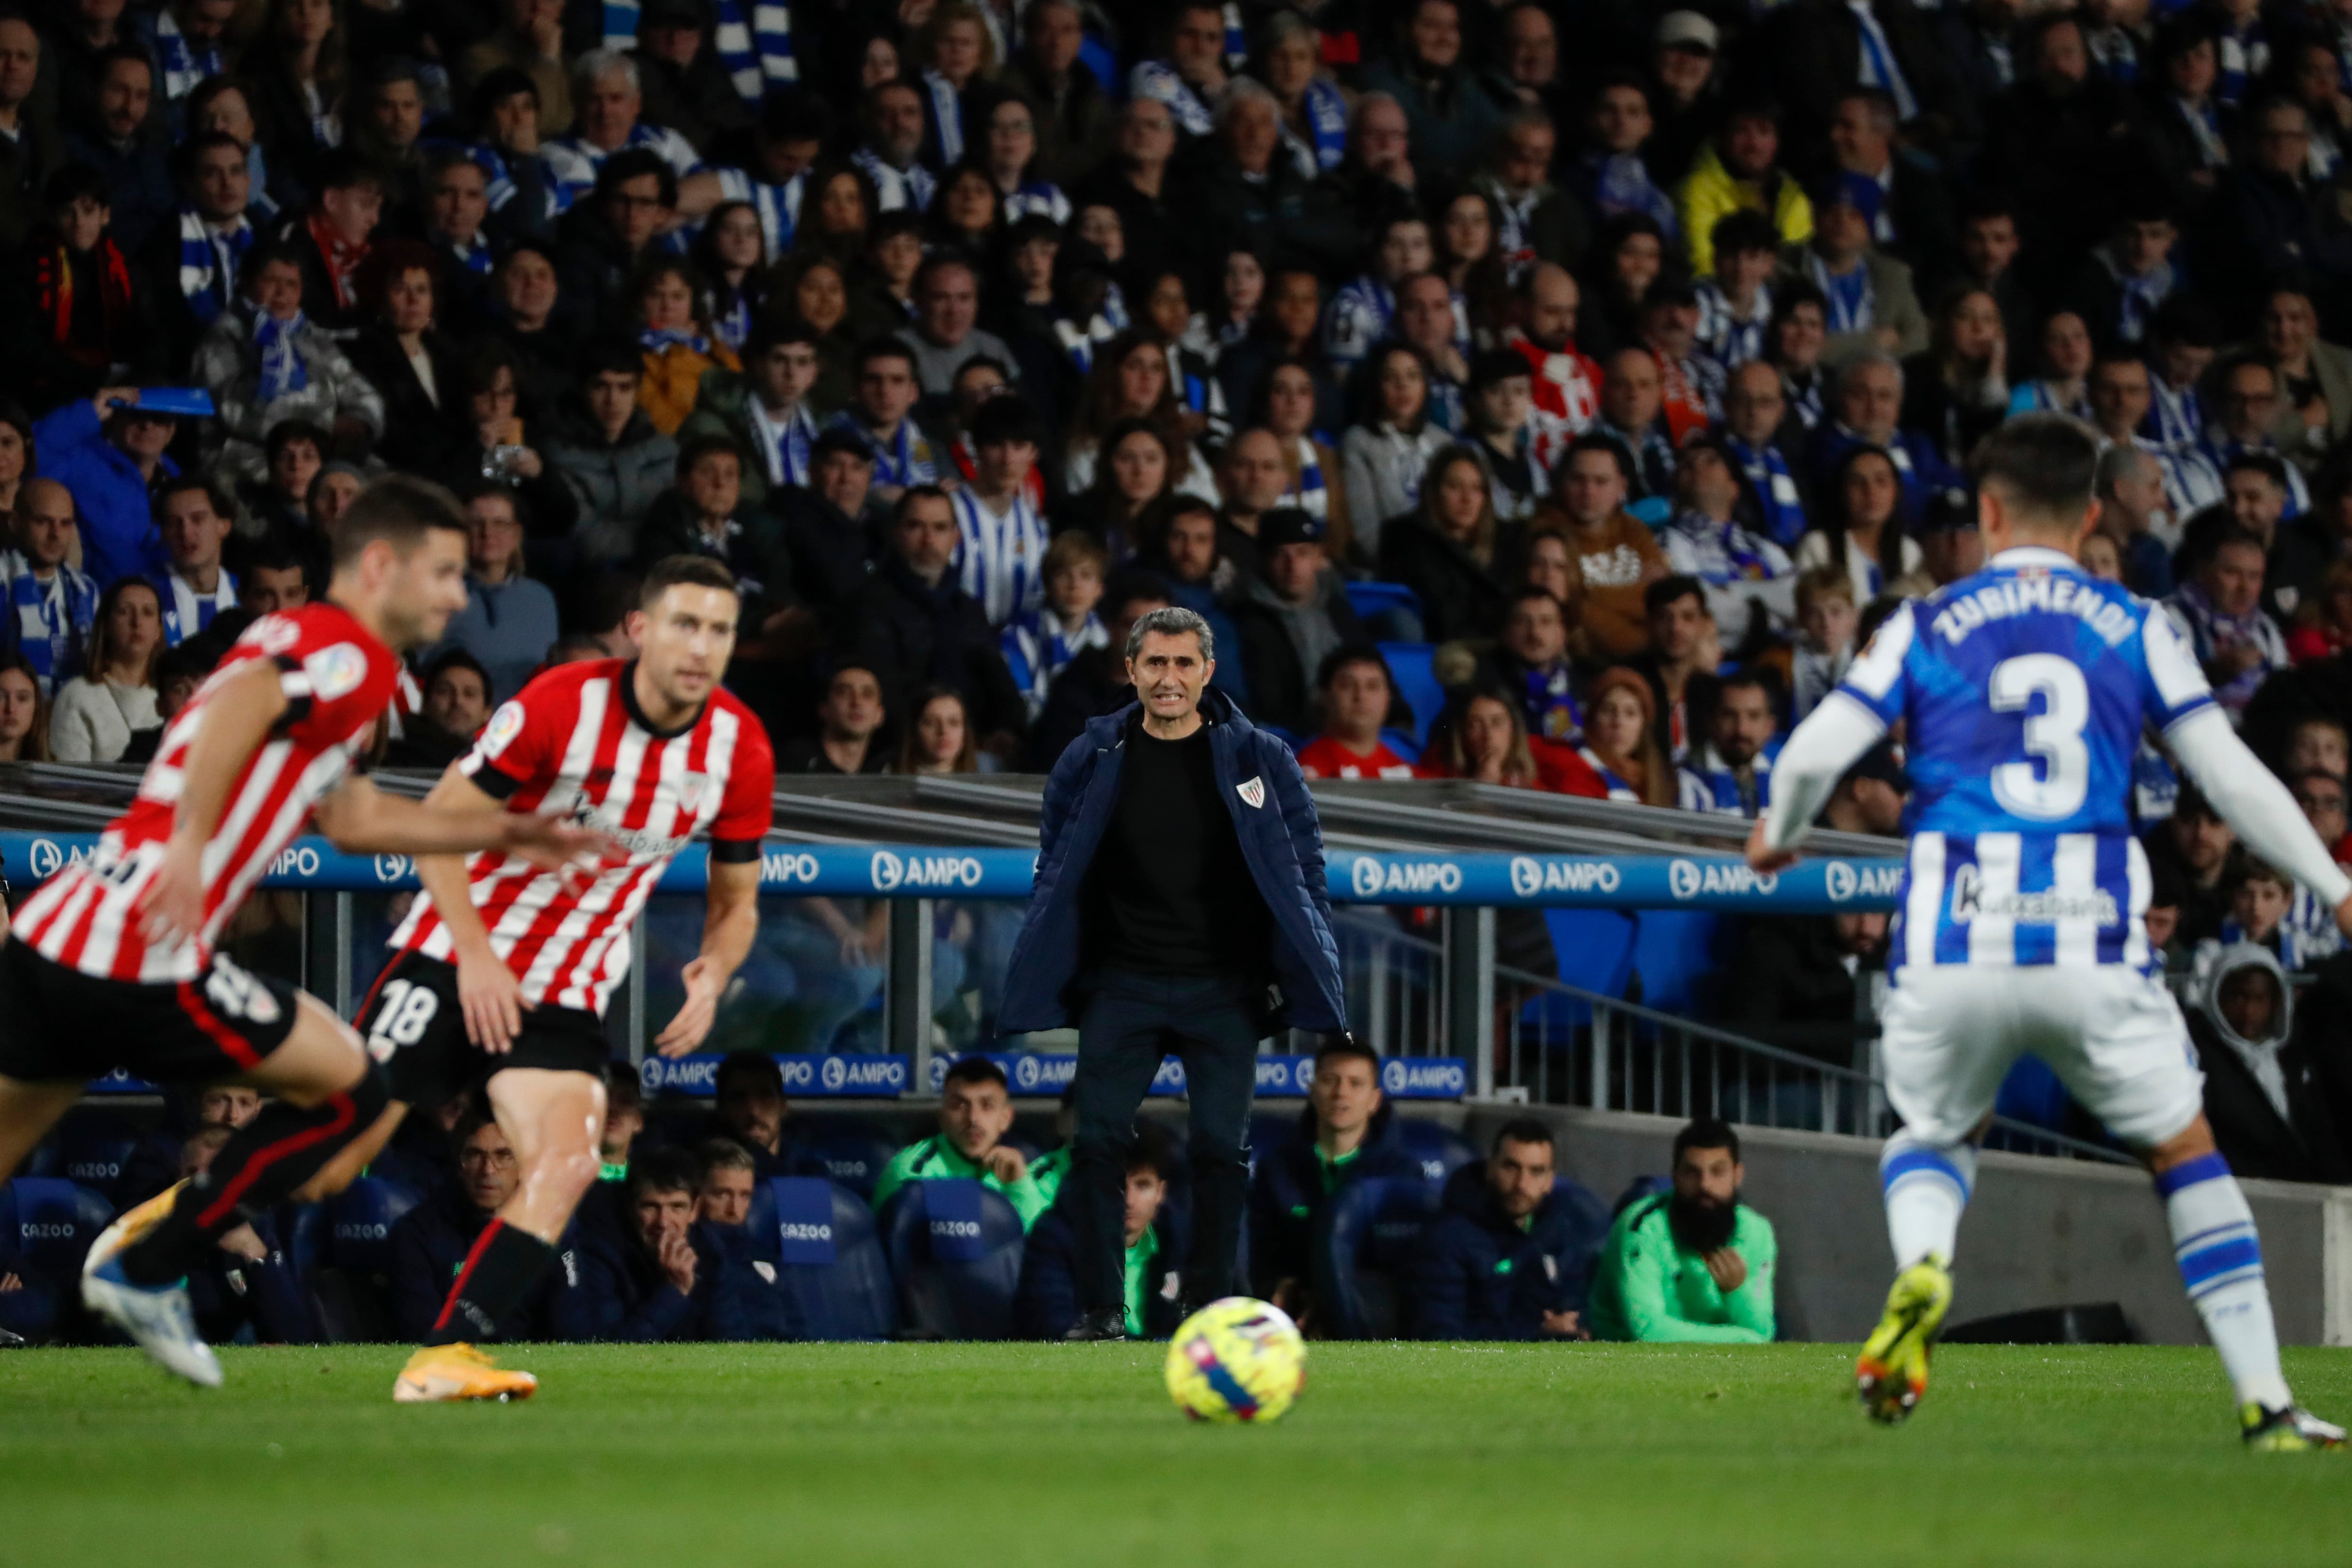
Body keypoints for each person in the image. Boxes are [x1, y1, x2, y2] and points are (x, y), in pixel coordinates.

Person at [1746, 414, 2348, 1447]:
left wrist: (1779, 832)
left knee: (1935, 1136)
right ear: (2088, 515)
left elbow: (1810, 753)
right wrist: (2329, 885)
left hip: (1950, 935)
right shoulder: (2134, 625)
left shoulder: (1925, 624)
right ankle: (2264, 1400)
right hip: (2090, 938)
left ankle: (1924, 1267)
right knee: (2186, 1154)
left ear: (1983, 511)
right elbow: (2230, 777)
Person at [2, 477, 604, 1389]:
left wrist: (504, 830)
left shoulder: (313, 651)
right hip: (142, 954)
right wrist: (193, 846)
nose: (455, 593)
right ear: (377, 565)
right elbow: (245, 700)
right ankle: (147, 1263)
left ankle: (149, 1259)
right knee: (352, 1095)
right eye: (441, 571)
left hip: (59, 933)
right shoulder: (345, 651)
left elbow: (353, 819)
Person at [356, 555, 776, 1401]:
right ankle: (168, 1235)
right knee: (338, 1144)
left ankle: (448, 1355)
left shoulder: (740, 750)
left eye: (720, 630)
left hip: (566, 983)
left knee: (567, 1159)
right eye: (684, 624)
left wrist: (713, 974)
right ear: (640, 630)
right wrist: (474, 955)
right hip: (458, 943)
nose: (701, 646)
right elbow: (437, 824)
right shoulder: (561, 707)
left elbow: (736, 902)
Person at [1000, 606, 1346, 1339]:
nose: (1168, 678)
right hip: (1121, 984)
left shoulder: (1262, 757)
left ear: (1207, 672)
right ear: (1130, 670)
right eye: (1154, 663)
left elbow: (1304, 867)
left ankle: (1210, 1310)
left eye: (1183, 663)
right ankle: (1099, 1311)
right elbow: (1055, 863)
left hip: (1223, 990)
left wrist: (1299, 959)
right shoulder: (1091, 755)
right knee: (1094, 1144)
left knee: (1222, 1150)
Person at [836, 486, 1026, 758]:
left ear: (955, 537)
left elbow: (997, 677)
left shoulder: (968, 609)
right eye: (916, 527)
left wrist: (1008, 728)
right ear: (896, 532)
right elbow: (880, 692)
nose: (929, 540)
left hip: (968, 750)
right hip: (899, 754)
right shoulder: (868, 604)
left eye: (940, 528)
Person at [1247, 1037, 1423, 1325]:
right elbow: (1259, 1251)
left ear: (1375, 1100)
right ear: (1313, 1090)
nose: (1341, 1093)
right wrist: (1276, 1286)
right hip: (1290, 1312)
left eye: (1356, 1084)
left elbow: (1403, 1265)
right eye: (1330, 1080)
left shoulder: (1401, 1172)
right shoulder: (1277, 1167)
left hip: (1369, 1314)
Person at [1406, 1118, 1608, 1341]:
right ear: (1490, 1169)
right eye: (1511, 1167)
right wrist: (1540, 1336)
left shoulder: (1561, 1230)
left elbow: (1580, 1308)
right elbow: (1440, 1338)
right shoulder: (1447, 1238)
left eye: (1536, 1172)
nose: (1522, 1184)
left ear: (1550, 1181)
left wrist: (1576, 1327)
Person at [1587, 1119, 1779, 1344]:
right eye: (1692, 1172)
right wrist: (1744, 1341)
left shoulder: (1757, 1232)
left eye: (1718, 1172)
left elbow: (1763, 1331)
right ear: (1675, 1175)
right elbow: (1647, 1331)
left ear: (1737, 1175)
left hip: (1719, 1365)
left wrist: (1737, 1292)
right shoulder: (1642, 1227)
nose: (1705, 1185)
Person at [2190, 942, 2351, 1184]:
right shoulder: (2201, 1061)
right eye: (2239, 997)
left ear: (2275, 1003)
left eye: (2259, 999)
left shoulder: (2296, 1059)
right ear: (2217, 996)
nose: (2249, 1011)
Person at [387, 1113, 550, 1342]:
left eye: (503, 1156)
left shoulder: (548, 1230)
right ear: (458, 1164)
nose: (488, 1170)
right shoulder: (417, 1234)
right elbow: (423, 1333)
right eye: (474, 1155)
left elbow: (574, 1331)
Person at [549, 1148, 725, 1342]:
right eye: (650, 1207)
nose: (663, 1222)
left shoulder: (711, 1251)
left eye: (677, 1207)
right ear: (631, 1209)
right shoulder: (601, 1254)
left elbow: (731, 1339)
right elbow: (607, 1352)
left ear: (694, 1211)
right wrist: (674, 1293)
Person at [1017, 1134, 1180, 1340]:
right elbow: (1054, 1326)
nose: (1129, 1200)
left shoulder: (1176, 1242)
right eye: (1118, 1185)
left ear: (1161, 1192)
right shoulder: (1056, 1236)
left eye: (1143, 1186)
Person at [872, 1056, 1049, 1228]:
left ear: (1006, 1118)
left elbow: (1042, 1244)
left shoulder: (1016, 1172)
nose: (973, 1119)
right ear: (942, 1117)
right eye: (960, 1106)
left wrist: (1018, 1185)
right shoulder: (913, 1175)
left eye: (987, 1106)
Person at [424, 487, 560, 705]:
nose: (487, 533)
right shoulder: (438, 593)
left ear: (517, 534)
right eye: (476, 524)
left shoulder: (541, 599)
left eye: (500, 524)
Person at [1536, 434, 1667, 659]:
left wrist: (1585, 591)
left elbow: (1664, 597)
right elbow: (1569, 608)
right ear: (1562, 482)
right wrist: (1636, 587)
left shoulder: (1635, 531)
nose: (1589, 491)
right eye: (1578, 480)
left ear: (1622, 487)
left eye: (1601, 482)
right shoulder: (1545, 532)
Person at [1237, 509, 1367, 735]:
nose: (1292, 566)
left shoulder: (1338, 608)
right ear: (1264, 561)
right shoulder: (1250, 619)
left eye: (1302, 553)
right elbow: (1269, 705)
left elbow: (1368, 664)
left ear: (1318, 557)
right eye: (1280, 555)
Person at [46, 575, 159, 762]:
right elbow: (69, 783)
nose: (137, 622)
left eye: (148, 612)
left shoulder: (171, 695)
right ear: (106, 624)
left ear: (159, 630)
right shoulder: (77, 696)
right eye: (124, 612)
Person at [1, 479, 97, 694]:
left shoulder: (87, 591)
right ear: (16, 522)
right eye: (43, 522)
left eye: (65, 524)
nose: (55, 534)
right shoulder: (3, 584)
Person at [1294, 647, 1417, 781]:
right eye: (1348, 685)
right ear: (1324, 696)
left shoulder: (1409, 774)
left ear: (1388, 698)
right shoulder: (1303, 773)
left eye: (1373, 686)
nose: (1361, 696)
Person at [1678, 668, 1780, 817]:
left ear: (1770, 726)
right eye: (1729, 716)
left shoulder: (1780, 781)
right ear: (1711, 722)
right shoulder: (1683, 779)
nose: (1741, 730)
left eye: (1754, 716)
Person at [778, 664, 887, 776]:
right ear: (824, 708)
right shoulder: (794, 762)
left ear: (880, 714)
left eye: (867, 694)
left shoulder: (885, 771)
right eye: (844, 692)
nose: (857, 702)